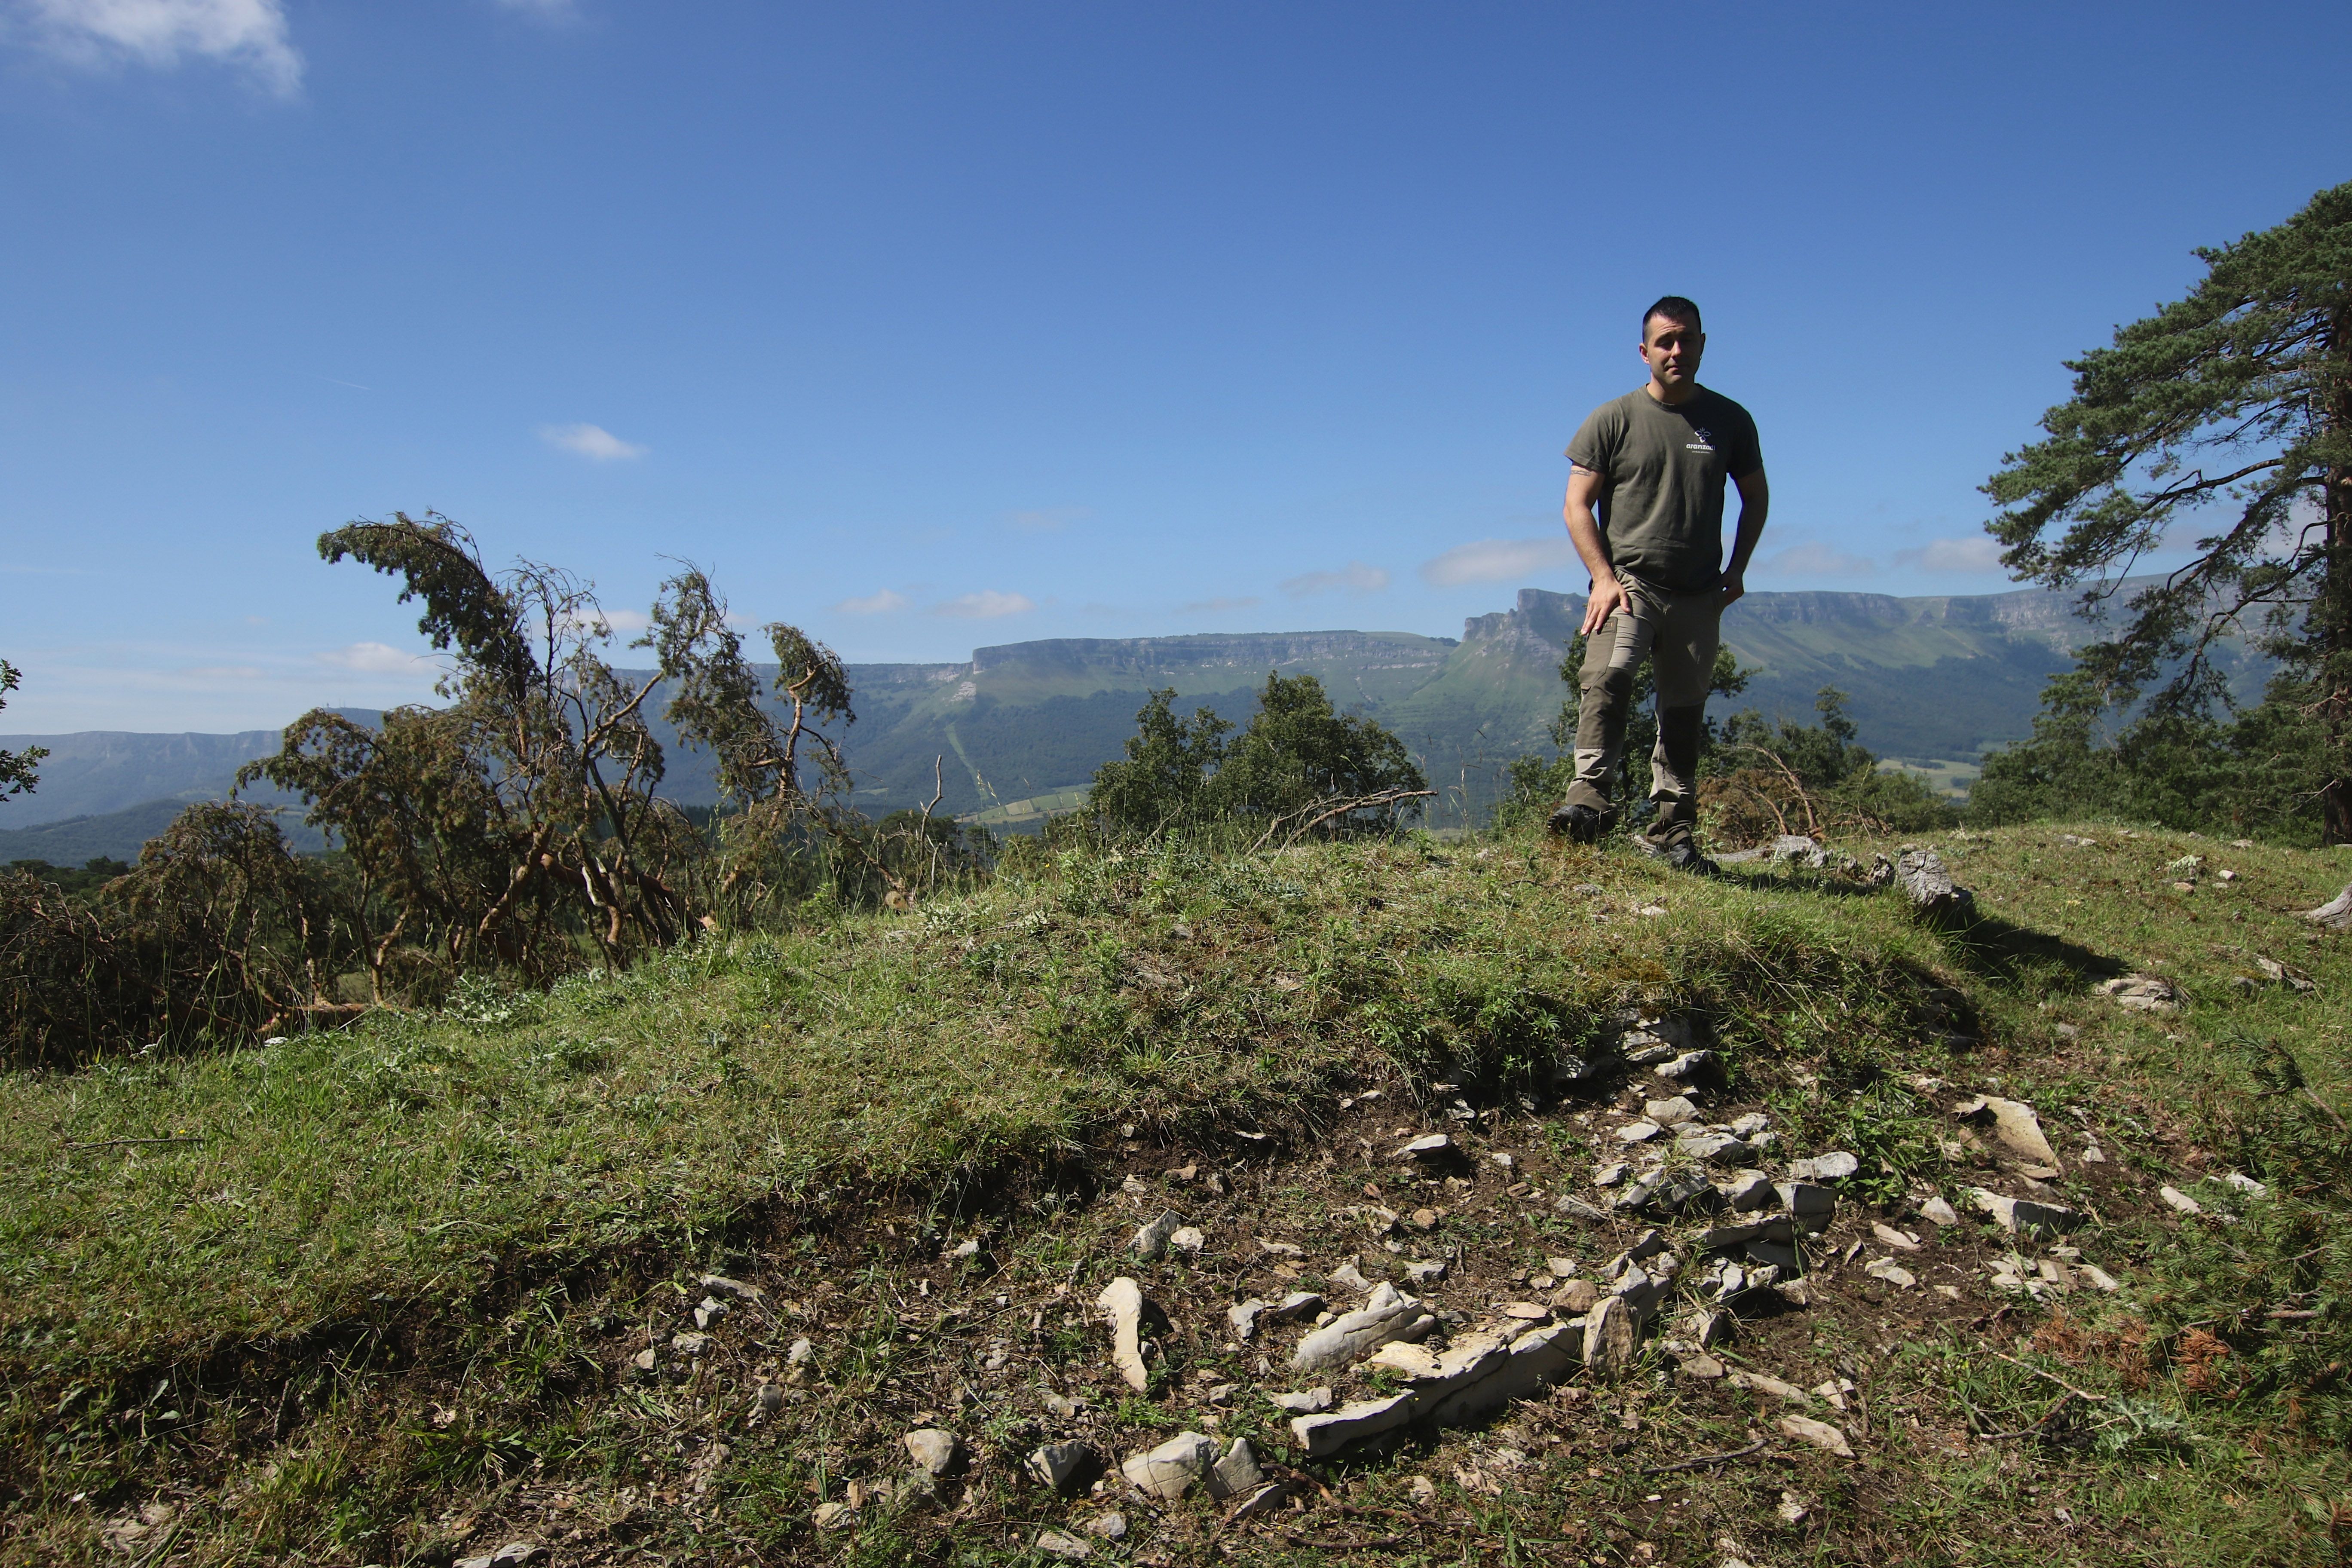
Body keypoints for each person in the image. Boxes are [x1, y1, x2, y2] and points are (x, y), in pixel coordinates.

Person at [1549, 295, 1768, 871]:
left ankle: (1674, 831)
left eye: (1686, 339)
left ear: (1701, 345)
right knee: (1608, 676)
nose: (1676, 350)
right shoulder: (1614, 418)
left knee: (1685, 708)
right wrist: (1601, 577)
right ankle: (1588, 804)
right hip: (1629, 584)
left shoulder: (1730, 420)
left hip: (1698, 592)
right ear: (1644, 351)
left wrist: (1738, 569)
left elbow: (1756, 497)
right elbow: (1577, 505)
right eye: (1665, 341)